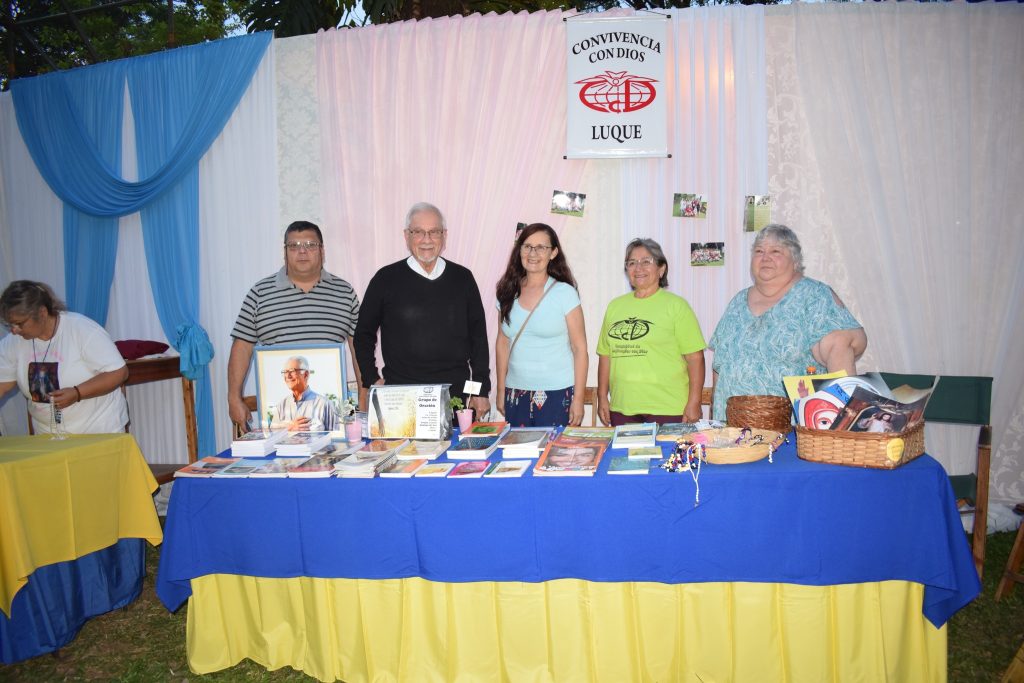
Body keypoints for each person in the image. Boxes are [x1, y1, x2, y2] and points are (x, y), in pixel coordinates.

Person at [708, 224, 867, 421]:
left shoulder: (814, 296)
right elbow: (720, 366)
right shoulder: (738, 302)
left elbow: (844, 346)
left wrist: (844, 424)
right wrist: (714, 416)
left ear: (795, 260)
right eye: (759, 251)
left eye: (775, 251)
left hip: (790, 432)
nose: (765, 257)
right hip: (733, 430)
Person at [354, 202, 490, 417]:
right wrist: (372, 379)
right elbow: (362, 335)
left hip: (455, 395)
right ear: (406, 235)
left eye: (434, 232)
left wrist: (480, 389)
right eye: (418, 232)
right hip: (401, 397)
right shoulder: (385, 279)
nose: (427, 240)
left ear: (444, 236)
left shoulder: (463, 278)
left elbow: (478, 339)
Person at [227, 221, 362, 432]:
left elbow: (358, 349)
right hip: (279, 421)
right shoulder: (259, 294)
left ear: (322, 250)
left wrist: (363, 395)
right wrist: (234, 397)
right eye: (294, 246)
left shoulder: (345, 293)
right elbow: (241, 348)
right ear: (285, 252)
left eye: (310, 244)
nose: (302, 251)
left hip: (331, 417)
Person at [596, 238, 706, 426]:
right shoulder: (615, 307)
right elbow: (606, 356)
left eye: (646, 261)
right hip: (623, 407)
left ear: (661, 269)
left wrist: (694, 402)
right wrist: (602, 396)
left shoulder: (676, 306)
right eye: (632, 263)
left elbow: (695, 358)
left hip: (669, 409)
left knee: (669, 457)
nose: (638, 268)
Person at [0, 280, 129, 434]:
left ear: (42, 312)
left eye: (19, 323)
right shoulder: (13, 342)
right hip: (49, 436)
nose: (14, 330)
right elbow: (2, 385)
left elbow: (119, 373)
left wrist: (77, 393)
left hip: (98, 429)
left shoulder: (81, 330)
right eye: (9, 325)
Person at [494, 223, 587, 427]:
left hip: (557, 392)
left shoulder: (565, 293)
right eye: (527, 246)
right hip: (515, 393)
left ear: (553, 253)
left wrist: (578, 399)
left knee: (552, 456)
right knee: (518, 456)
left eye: (541, 247)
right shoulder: (507, 290)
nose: (533, 253)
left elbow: (580, 349)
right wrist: (501, 389)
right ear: (519, 250)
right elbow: (502, 342)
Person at [272, 356, 339, 432]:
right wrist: (289, 428)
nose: (288, 376)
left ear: (306, 374)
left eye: (292, 371)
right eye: (285, 372)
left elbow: (335, 438)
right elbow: (272, 437)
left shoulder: (325, 405)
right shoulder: (280, 407)